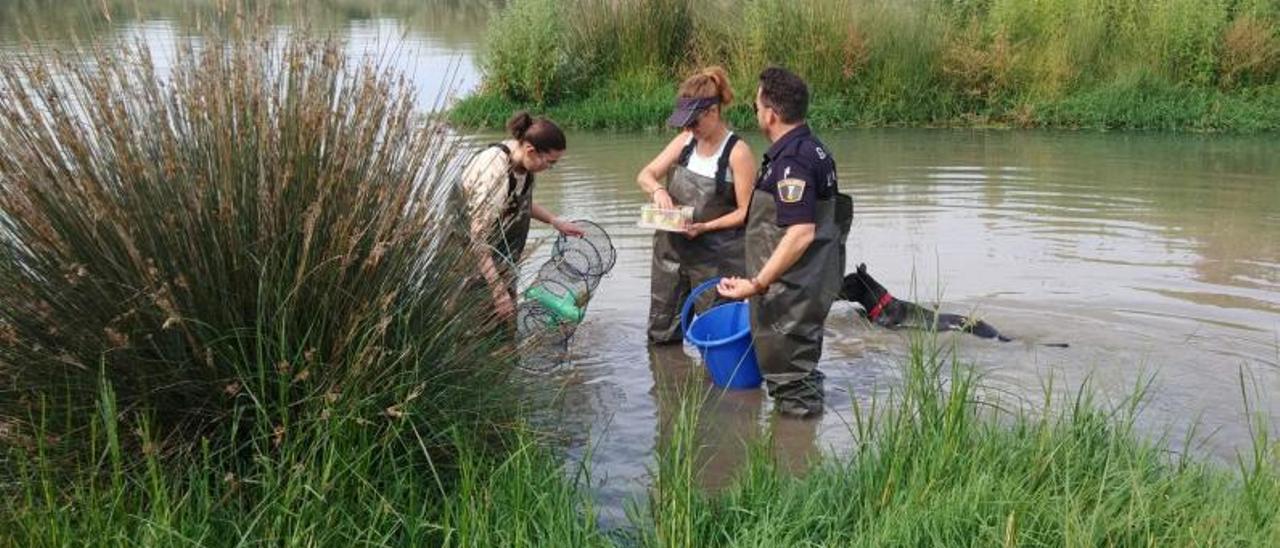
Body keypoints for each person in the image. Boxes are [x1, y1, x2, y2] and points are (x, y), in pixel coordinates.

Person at [718, 67, 853, 418]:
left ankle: (796, 455)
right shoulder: (812, 148)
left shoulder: (792, 160)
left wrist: (757, 283)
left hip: (792, 288)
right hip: (803, 283)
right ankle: (802, 445)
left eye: (755, 105)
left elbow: (800, 233)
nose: (755, 112)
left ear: (771, 114)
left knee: (791, 379)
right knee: (797, 372)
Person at [637, 66, 756, 344]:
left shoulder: (738, 153)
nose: (689, 128)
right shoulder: (685, 142)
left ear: (712, 112)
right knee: (662, 333)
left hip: (716, 259)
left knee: (718, 336)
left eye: (693, 122)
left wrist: (705, 227)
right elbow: (645, 174)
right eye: (686, 123)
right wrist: (658, 192)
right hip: (671, 254)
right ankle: (668, 381)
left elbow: (746, 212)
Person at [461, 111, 583, 320]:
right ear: (530, 150)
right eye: (550, 162)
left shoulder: (524, 166)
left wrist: (555, 221)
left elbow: (520, 203)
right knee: (474, 319)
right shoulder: (494, 171)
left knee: (506, 320)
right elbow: (477, 240)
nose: (550, 168)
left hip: (497, 252)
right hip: (467, 254)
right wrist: (499, 292)